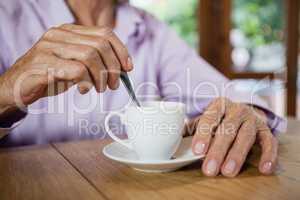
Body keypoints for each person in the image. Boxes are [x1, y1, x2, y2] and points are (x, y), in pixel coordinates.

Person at [0, 0, 284, 177]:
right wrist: (7, 90)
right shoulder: (6, 14)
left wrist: (245, 111)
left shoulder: (150, 29)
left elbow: (231, 95)